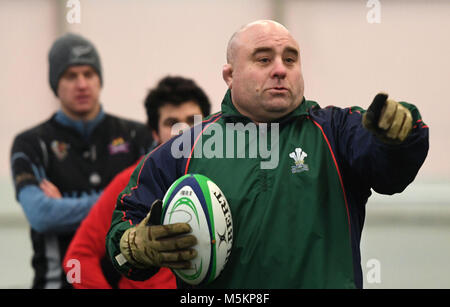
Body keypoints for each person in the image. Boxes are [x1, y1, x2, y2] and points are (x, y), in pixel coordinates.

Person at [105, 20, 429, 288]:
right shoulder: (182, 149)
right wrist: (134, 245)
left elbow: (390, 171)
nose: (280, 69)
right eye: (263, 59)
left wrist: (402, 135)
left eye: (290, 59)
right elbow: (122, 234)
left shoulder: (337, 131)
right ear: (230, 75)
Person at [10, 33, 153, 289]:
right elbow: (42, 215)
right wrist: (123, 203)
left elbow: (154, 206)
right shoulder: (30, 143)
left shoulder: (137, 136)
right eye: (70, 76)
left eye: (89, 73)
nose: (82, 84)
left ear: (100, 79)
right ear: (55, 83)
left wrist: (65, 205)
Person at [62, 76, 211, 289]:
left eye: (192, 121)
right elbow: (76, 259)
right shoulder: (131, 182)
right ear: (154, 132)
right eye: (171, 123)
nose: (183, 131)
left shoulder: (226, 178)